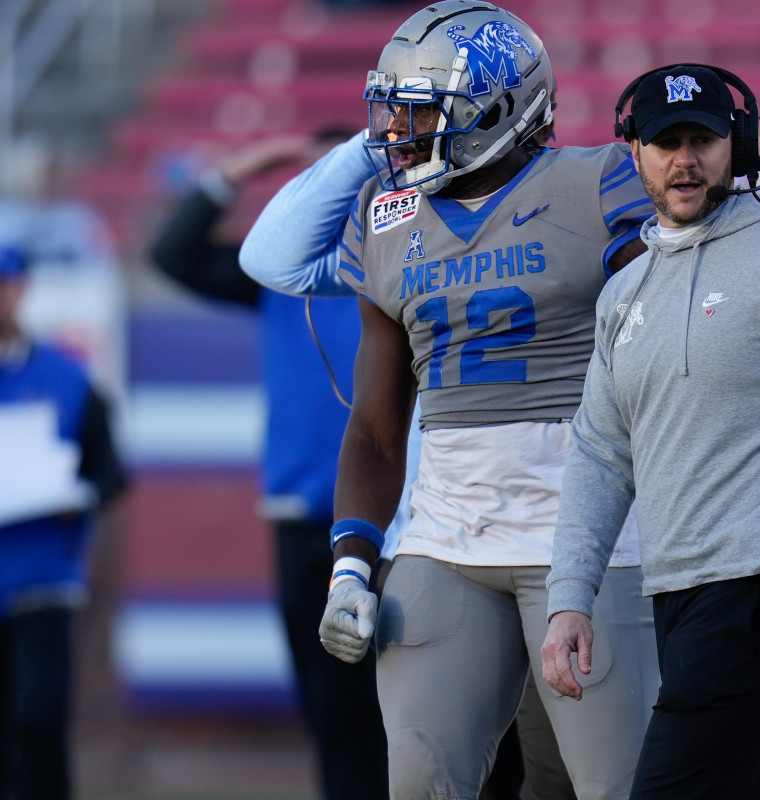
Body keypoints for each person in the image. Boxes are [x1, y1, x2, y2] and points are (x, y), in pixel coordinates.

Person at [241, 3, 659, 798]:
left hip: (591, 534)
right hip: (446, 538)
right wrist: (352, 564)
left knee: (610, 786)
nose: (396, 131)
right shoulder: (389, 218)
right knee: (423, 782)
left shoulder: (601, 181)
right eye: (392, 110)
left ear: (498, 107)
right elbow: (374, 422)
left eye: (417, 110)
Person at [541, 64, 760, 799]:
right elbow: (600, 458)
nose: (685, 159)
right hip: (677, 589)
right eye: (665, 141)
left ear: (736, 146)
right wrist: (568, 597)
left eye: (702, 139)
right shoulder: (625, 293)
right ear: (634, 154)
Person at [147, 130, 398, 800]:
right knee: (335, 723)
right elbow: (171, 253)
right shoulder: (282, 274)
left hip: (401, 527)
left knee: (418, 720)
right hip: (304, 526)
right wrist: (247, 165)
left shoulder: (410, 260)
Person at [0, 245, 126, 800]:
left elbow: (110, 472)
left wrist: (76, 495)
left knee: (38, 720)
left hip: (41, 579)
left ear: (22, 288)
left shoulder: (68, 379)